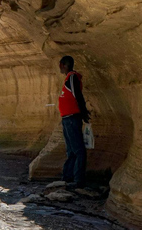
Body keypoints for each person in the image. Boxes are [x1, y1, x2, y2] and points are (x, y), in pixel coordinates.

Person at [58, 55, 90, 188]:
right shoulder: (70, 78)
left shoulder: (72, 77)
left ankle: (78, 180)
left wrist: (83, 113)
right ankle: (68, 177)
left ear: (62, 65)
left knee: (78, 150)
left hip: (72, 118)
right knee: (71, 150)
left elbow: (78, 95)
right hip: (67, 118)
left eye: (60, 65)